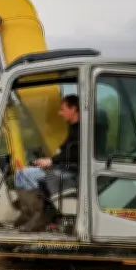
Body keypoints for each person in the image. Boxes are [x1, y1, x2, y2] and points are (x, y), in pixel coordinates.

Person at [13, 94, 80, 231]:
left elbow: (75, 154)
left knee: (25, 175)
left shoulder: (82, 129)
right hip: (63, 166)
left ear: (73, 109)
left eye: (62, 109)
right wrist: (48, 158)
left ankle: (42, 215)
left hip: (71, 170)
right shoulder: (74, 127)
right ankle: (29, 213)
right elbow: (65, 148)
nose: (59, 113)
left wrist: (50, 161)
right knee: (20, 174)